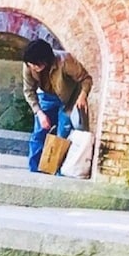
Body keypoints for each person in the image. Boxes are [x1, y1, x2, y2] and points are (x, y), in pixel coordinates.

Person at [22, 39, 93, 173]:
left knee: (62, 133)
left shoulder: (65, 60)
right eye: (31, 65)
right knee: (39, 131)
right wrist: (39, 113)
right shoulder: (29, 65)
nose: (33, 68)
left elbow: (86, 79)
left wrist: (82, 96)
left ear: (45, 61)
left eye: (36, 65)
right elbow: (28, 91)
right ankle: (34, 169)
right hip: (46, 96)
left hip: (69, 99)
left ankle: (57, 170)